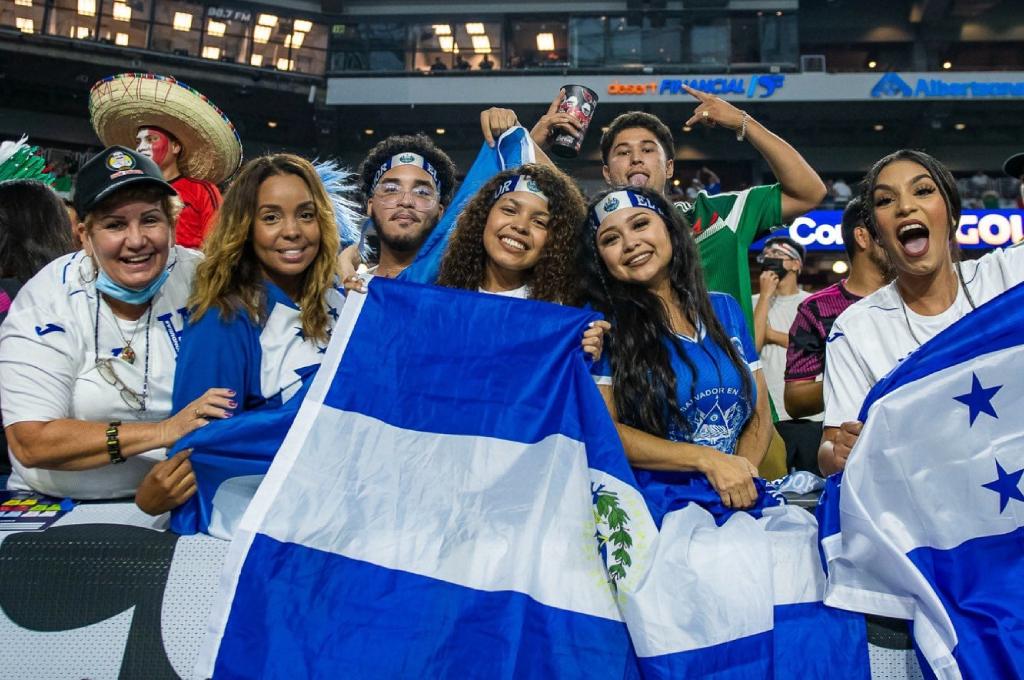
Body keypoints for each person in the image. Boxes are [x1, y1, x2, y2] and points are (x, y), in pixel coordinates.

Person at [0, 146, 232, 505]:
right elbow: (31, 441)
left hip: (182, 498)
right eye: (115, 225)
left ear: (172, 226)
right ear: (85, 236)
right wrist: (162, 432)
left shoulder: (205, 279)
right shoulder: (46, 299)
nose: (136, 240)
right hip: (57, 504)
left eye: (151, 220)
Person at [154, 154, 345, 521]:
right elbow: (200, 447)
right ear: (245, 227)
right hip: (256, 524)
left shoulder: (337, 299)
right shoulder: (223, 318)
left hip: (329, 513)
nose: (292, 231)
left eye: (305, 214)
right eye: (271, 217)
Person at [820, 149, 1024, 475]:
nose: (905, 206)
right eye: (885, 200)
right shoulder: (857, 328)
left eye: (924, 191)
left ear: (952, 214)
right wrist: (838, 450)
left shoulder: (1009, 277)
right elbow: (829, 452)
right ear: (877, 236)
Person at [580, 186, 772, 510]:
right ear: (601, 260)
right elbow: (604, 431)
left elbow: (760, 412)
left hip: (735, 499)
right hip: (654, 510)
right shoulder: (601, 328)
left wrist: (741, 475)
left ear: (669, 228)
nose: (630, 243)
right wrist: (705, 460)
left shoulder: (725, 309)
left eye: (640, 224)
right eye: (610, 239)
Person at [89, 72, 243, 249]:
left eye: (151, 139)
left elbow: (219, 241)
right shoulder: (129, 190)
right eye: (139, 141)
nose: (142, 147)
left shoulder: (201, 190)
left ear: (175, 147)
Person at [784, 197, 890, 427]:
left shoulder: (917, 298)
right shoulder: (817, 309)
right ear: (862, 237)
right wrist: (855, 381)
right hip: (852, 444)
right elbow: (795, 400)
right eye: (888, 230)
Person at [751, 235, 821, 472]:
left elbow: (822, 348)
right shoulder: (754, 303)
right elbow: (753, 347)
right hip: (769, 417)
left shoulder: (813, 303)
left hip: (812, 416)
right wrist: (764, 297)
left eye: (777, 255)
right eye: (766, 256)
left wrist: (774, 335)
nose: (769, 259)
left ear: (795, 264)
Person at [352, 134, 457, 279]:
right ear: (370, 205)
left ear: (440, 212)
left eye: (422, 192)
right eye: (391, 189)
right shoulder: (345, 295)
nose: (406, 201)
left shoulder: (462, 294)